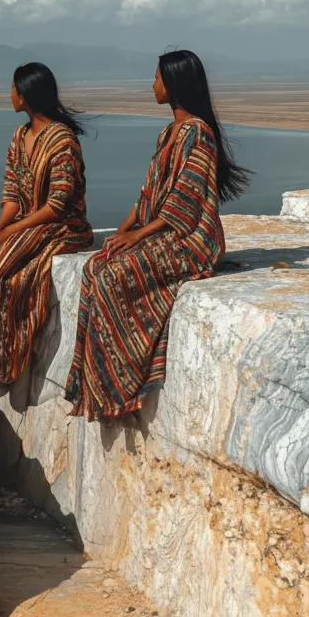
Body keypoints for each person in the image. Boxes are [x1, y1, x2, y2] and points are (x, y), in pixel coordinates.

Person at [65, 49, 249, 421]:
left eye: (157, 78)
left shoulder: (198, 133)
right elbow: (149, 194)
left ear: (174, 84)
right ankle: (96, 379)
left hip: (191, 240)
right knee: (96, 266)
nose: (152, 85)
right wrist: (122, 232)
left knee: (113, 278)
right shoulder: (169, 133)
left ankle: (121, 381)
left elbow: (185, 200)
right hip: (165, 232)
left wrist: (138, 237)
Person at [0, 62, 93, 384]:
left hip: (62, 227)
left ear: (24, 95)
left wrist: (9, 232)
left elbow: (57, 205)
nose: (10, 95)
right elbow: (12, 194)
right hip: (28, 225)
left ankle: (3, 362)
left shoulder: (62, 140)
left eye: (12, 89)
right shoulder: (19, 136)